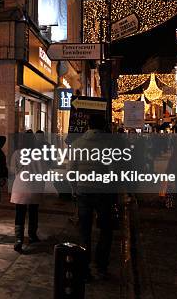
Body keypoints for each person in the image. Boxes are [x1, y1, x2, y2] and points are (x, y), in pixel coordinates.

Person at [70, 114, 116, 281]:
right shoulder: (109, 145)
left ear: (88, 126)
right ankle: (101, 266)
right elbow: (113, 171)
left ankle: (84, 269)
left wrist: (74, 189)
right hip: (103, 192)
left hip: (83, 191)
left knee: (84, 231)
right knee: (105, 230)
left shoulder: (77, 144)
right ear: (103, 127)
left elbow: (71, 171)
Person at [10, 129, 45, 253]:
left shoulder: (17, 153)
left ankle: (18, 240)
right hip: (35, 185)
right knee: (33, 212)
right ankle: (32, 235)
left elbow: (13, 171)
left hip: (20, 185)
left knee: (20, 213)